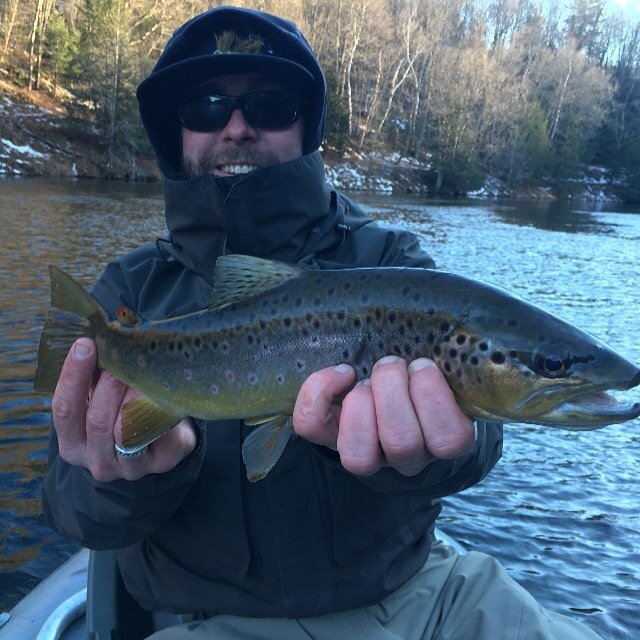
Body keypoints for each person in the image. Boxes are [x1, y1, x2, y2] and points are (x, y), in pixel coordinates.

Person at [41, 6, 602, 639]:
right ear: (176, 134)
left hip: (421, 599)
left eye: (272, 105)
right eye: (205, 107)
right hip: (207, 621)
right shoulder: (129, 292)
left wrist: (442, 452)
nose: (236, 128)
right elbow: (69, 509)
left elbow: (479, 446)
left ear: (308, 129)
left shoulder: (392, 263)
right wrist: (127, 474)